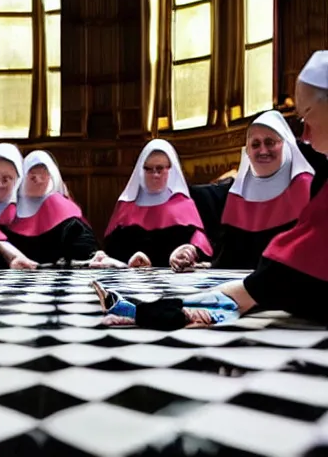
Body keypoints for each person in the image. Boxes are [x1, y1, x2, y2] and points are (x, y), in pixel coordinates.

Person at [93, 50, 328, 328]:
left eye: (307, 117)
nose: (306, 135)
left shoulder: (314, 182)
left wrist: (147, 312)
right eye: (254, 144)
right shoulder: (239, 192)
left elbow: (278, 276)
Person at [170, 110, 315, 271]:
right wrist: (194, 260)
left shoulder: (308, 187)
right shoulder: (239, 194)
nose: (263, 150)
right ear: (247, 151)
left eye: (270, 142)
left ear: (286, 145)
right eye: (255, 144)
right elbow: (229, 260)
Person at [94, 139, 212, 269]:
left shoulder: (184, 205)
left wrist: (190, 250)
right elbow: (111, 251)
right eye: (148, 169)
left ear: (170, 170)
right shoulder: (126, 206)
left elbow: (201, 247)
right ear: (140, 170)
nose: (155, 175)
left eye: (160, 169)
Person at [2, 150, 98, 268]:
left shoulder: (67, 216)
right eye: (32, 175)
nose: (38, 180)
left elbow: (86, 252)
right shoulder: (7, 213)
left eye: (43, 174)